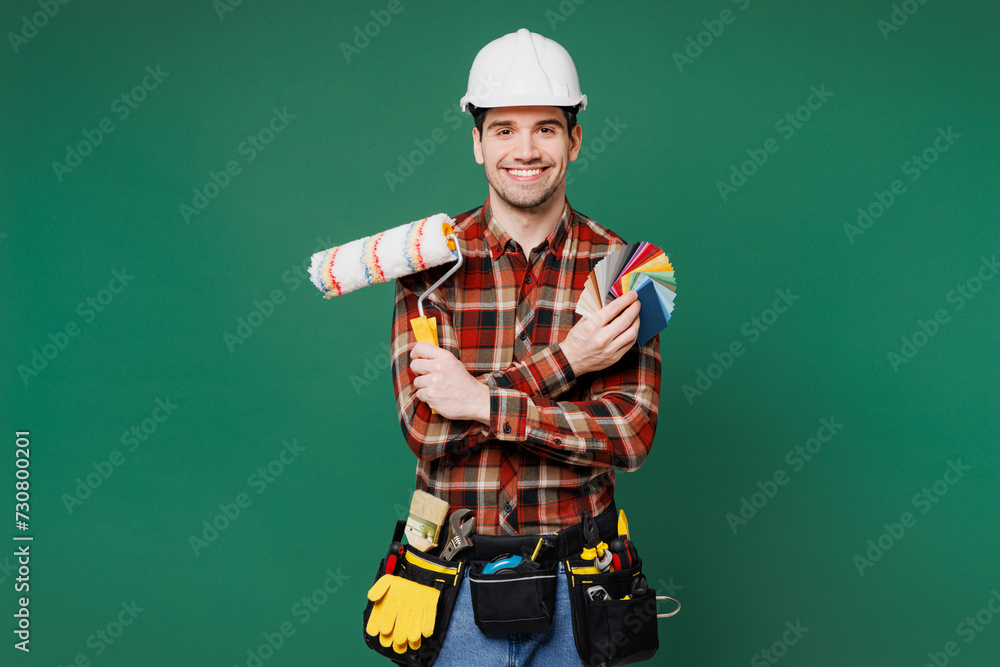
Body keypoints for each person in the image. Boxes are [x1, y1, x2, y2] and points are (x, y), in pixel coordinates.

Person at [389, 28, 661, 666]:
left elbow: (629, 434)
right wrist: (573, 361)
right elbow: (428, 429)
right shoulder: (429, 264)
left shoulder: (624, 268)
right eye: (505, 129)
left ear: (575, 138)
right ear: (477, 142)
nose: (526, 149)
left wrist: (477, 401)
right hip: (450, 579)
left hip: (581, 583)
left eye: (545, 128)